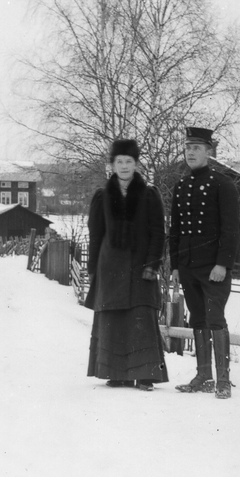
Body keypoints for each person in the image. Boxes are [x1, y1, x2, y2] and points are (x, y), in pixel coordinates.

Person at [85, 139, 168, 391]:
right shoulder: (102, 197)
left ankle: (145, 375)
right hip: (109, 268)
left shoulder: (149, 195)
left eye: (128, 161)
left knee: (140, 318)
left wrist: (152, 265)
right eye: (119, 161)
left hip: (140, 268)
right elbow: (95, 235)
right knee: (114, 319)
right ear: (112, 165)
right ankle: (116, 373)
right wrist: (92, 269)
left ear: (136, 164)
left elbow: (158, 233)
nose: (123, 166)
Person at [169, 126, 240, 401]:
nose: (190, 153)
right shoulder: (181, 186)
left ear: (209, 152)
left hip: (213, 269)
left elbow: (231, 229)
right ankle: (204, 376)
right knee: (197, 319)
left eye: (197, 148)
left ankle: (223, 380)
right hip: (188, 267)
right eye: (188, 148)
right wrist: (176, 266)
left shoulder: (223, 184)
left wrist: (223, 264)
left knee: (215, 319)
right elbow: (175, 230)